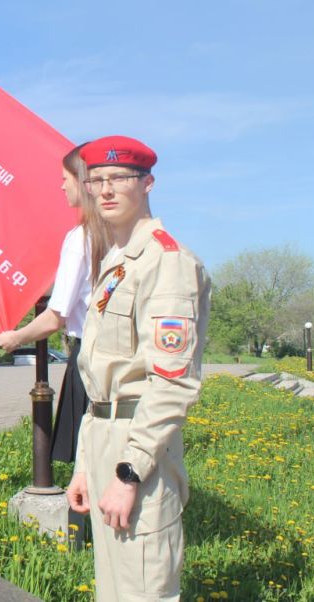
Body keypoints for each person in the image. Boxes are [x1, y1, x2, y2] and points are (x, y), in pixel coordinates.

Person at [65, 136, 211, 601]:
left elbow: (171, 384)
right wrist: (86, 467)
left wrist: (129, 474)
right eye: (97, 180)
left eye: (120, 179)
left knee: (144, 588)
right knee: (114, 588)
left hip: (139, 446)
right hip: (106, 436)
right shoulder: (118, 262)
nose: (106, 190)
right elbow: (100, 381)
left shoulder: (167, 263)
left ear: (148, 183)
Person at [0, 144, 108, 463]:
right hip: (123, 361)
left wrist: (15, 338)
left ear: (83, 183)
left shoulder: (81, 239)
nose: (61, 186)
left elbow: (56, 316)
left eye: (65, 179)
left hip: (91, 359)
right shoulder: (118, 234)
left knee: (89, 461)